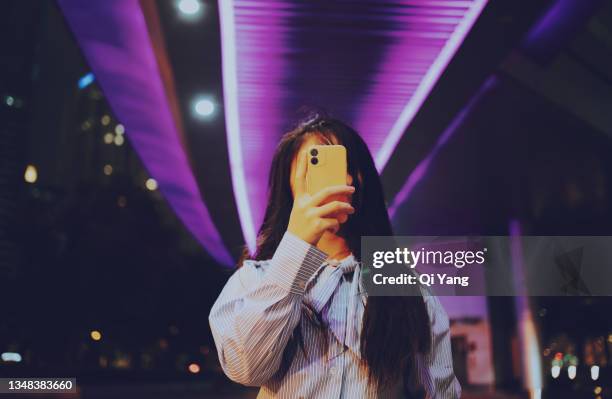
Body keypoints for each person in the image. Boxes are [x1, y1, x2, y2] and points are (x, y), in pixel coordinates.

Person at [209, 115, 461, 398]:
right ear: (289, 186)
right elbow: (247, 369)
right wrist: (297, 245)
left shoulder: (402, 284)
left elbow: (438, 393)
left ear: (363, 180)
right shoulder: (254, 279)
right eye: (313, 170)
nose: (342, 181)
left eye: (348, 167)